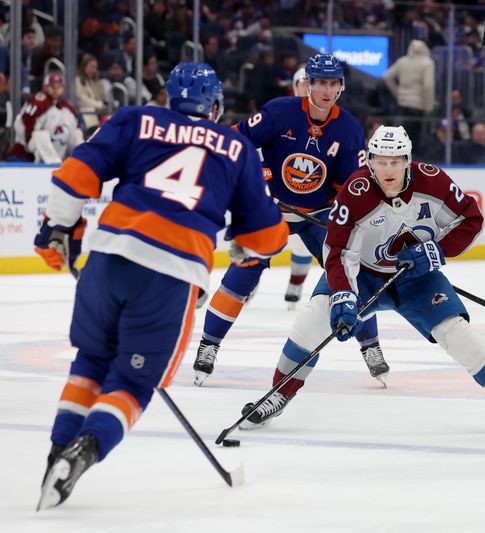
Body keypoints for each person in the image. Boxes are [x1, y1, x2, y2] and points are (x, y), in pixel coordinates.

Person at [35, 63, 288, 510]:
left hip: (109, 256)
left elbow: (76, 175)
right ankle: (85, 450)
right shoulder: (236, 146)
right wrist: (241, 248)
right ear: (214, 106)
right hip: (173, 274)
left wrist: (56, 227)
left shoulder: (135, 119)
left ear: (170, 98)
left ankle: (56, 455)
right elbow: (268, 237)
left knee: (91, 362)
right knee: (132, 384)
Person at [237, 125, 485, 437]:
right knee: (313, 319)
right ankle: (278, 394)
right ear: (370, 161)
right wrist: (344, 296)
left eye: (396, 161)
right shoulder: (355, 191)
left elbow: (471, 220)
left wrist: (436, 250)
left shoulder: (433, 180)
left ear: (407, 160)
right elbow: (337, 251)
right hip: (362, 275)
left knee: (457, 334)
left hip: (417, 279)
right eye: (381, 161)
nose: (388, 169)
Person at [194, 54, 390, 387]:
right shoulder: (279, 112)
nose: (327, 90)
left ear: (340, 88)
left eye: (333, 84)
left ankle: (370, 345)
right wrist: (259, 175)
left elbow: (351, 189)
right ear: (308, 85)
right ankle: (208, 345)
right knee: (242, 273)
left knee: (350, 273)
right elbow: (233, 143)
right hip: (271, 211)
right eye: (320, 83)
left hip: (319, 214)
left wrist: (348, 225)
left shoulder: (349, 129)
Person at [282, 66, 315, 309]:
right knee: (259, 237)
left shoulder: (327, 116)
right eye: (302, 83)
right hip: (279, 190)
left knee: (304, 242)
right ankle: (247, 282)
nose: (306, 88)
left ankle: (296, 282)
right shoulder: (281, 112)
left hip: (311, 192)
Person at [7, 72, 84, 163]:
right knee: (40, 135)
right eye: (52, 86)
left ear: (63, 88)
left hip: (54, 161)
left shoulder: (68, 109)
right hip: (24, 158)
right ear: (45, 86)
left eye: (58, 87)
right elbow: (25, 128)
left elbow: (75, 138)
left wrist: (82, 155)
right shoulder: (37, 103)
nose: (55, 90)